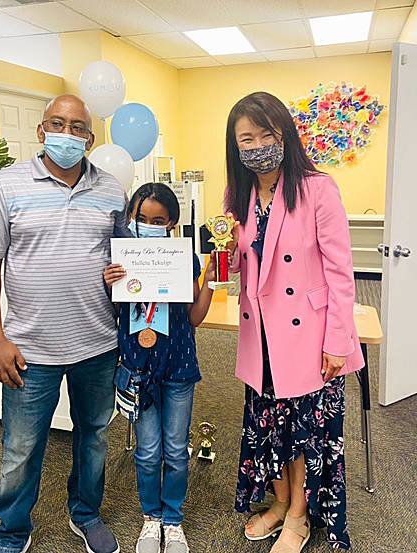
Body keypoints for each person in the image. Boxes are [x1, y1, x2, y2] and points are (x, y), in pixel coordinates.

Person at [0, 94, 129, 553]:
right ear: (41, 131)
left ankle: (86, 514)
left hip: (98, 343)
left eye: (78, 127)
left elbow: (128, 259)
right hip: (28, 350)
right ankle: (13, 532)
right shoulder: (6, 185)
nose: (68, 133)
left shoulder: (111, 189)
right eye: (58, 123)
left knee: (93, 436)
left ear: (91, 139)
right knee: (20, 450)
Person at [224, 92, 364, 552]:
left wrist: (338, 341)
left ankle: (300, 518)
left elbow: (342, 274)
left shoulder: (316, 188)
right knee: (268, 427)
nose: (259, 144)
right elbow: (241, 266)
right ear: (236, 146)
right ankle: (281, 503)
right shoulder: (236, 194)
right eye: (248, 138)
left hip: (310, 336)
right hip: (260, 334)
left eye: (268, 133)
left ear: (285, 134)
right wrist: (222, 259)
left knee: (302, 434)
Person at [103, 182, 215, 553]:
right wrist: (110, 285)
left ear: (172, 223)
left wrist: (209, 283)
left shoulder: (185, 259)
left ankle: (173, 520)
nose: (149, 224)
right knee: (148, 450)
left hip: (179, 365)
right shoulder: (119, 262)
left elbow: (194, 318)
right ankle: (151, 518)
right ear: (130, 219)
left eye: (158, 220)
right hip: (138, 367)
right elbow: (119, 313)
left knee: (177, 449)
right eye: (141, 218)